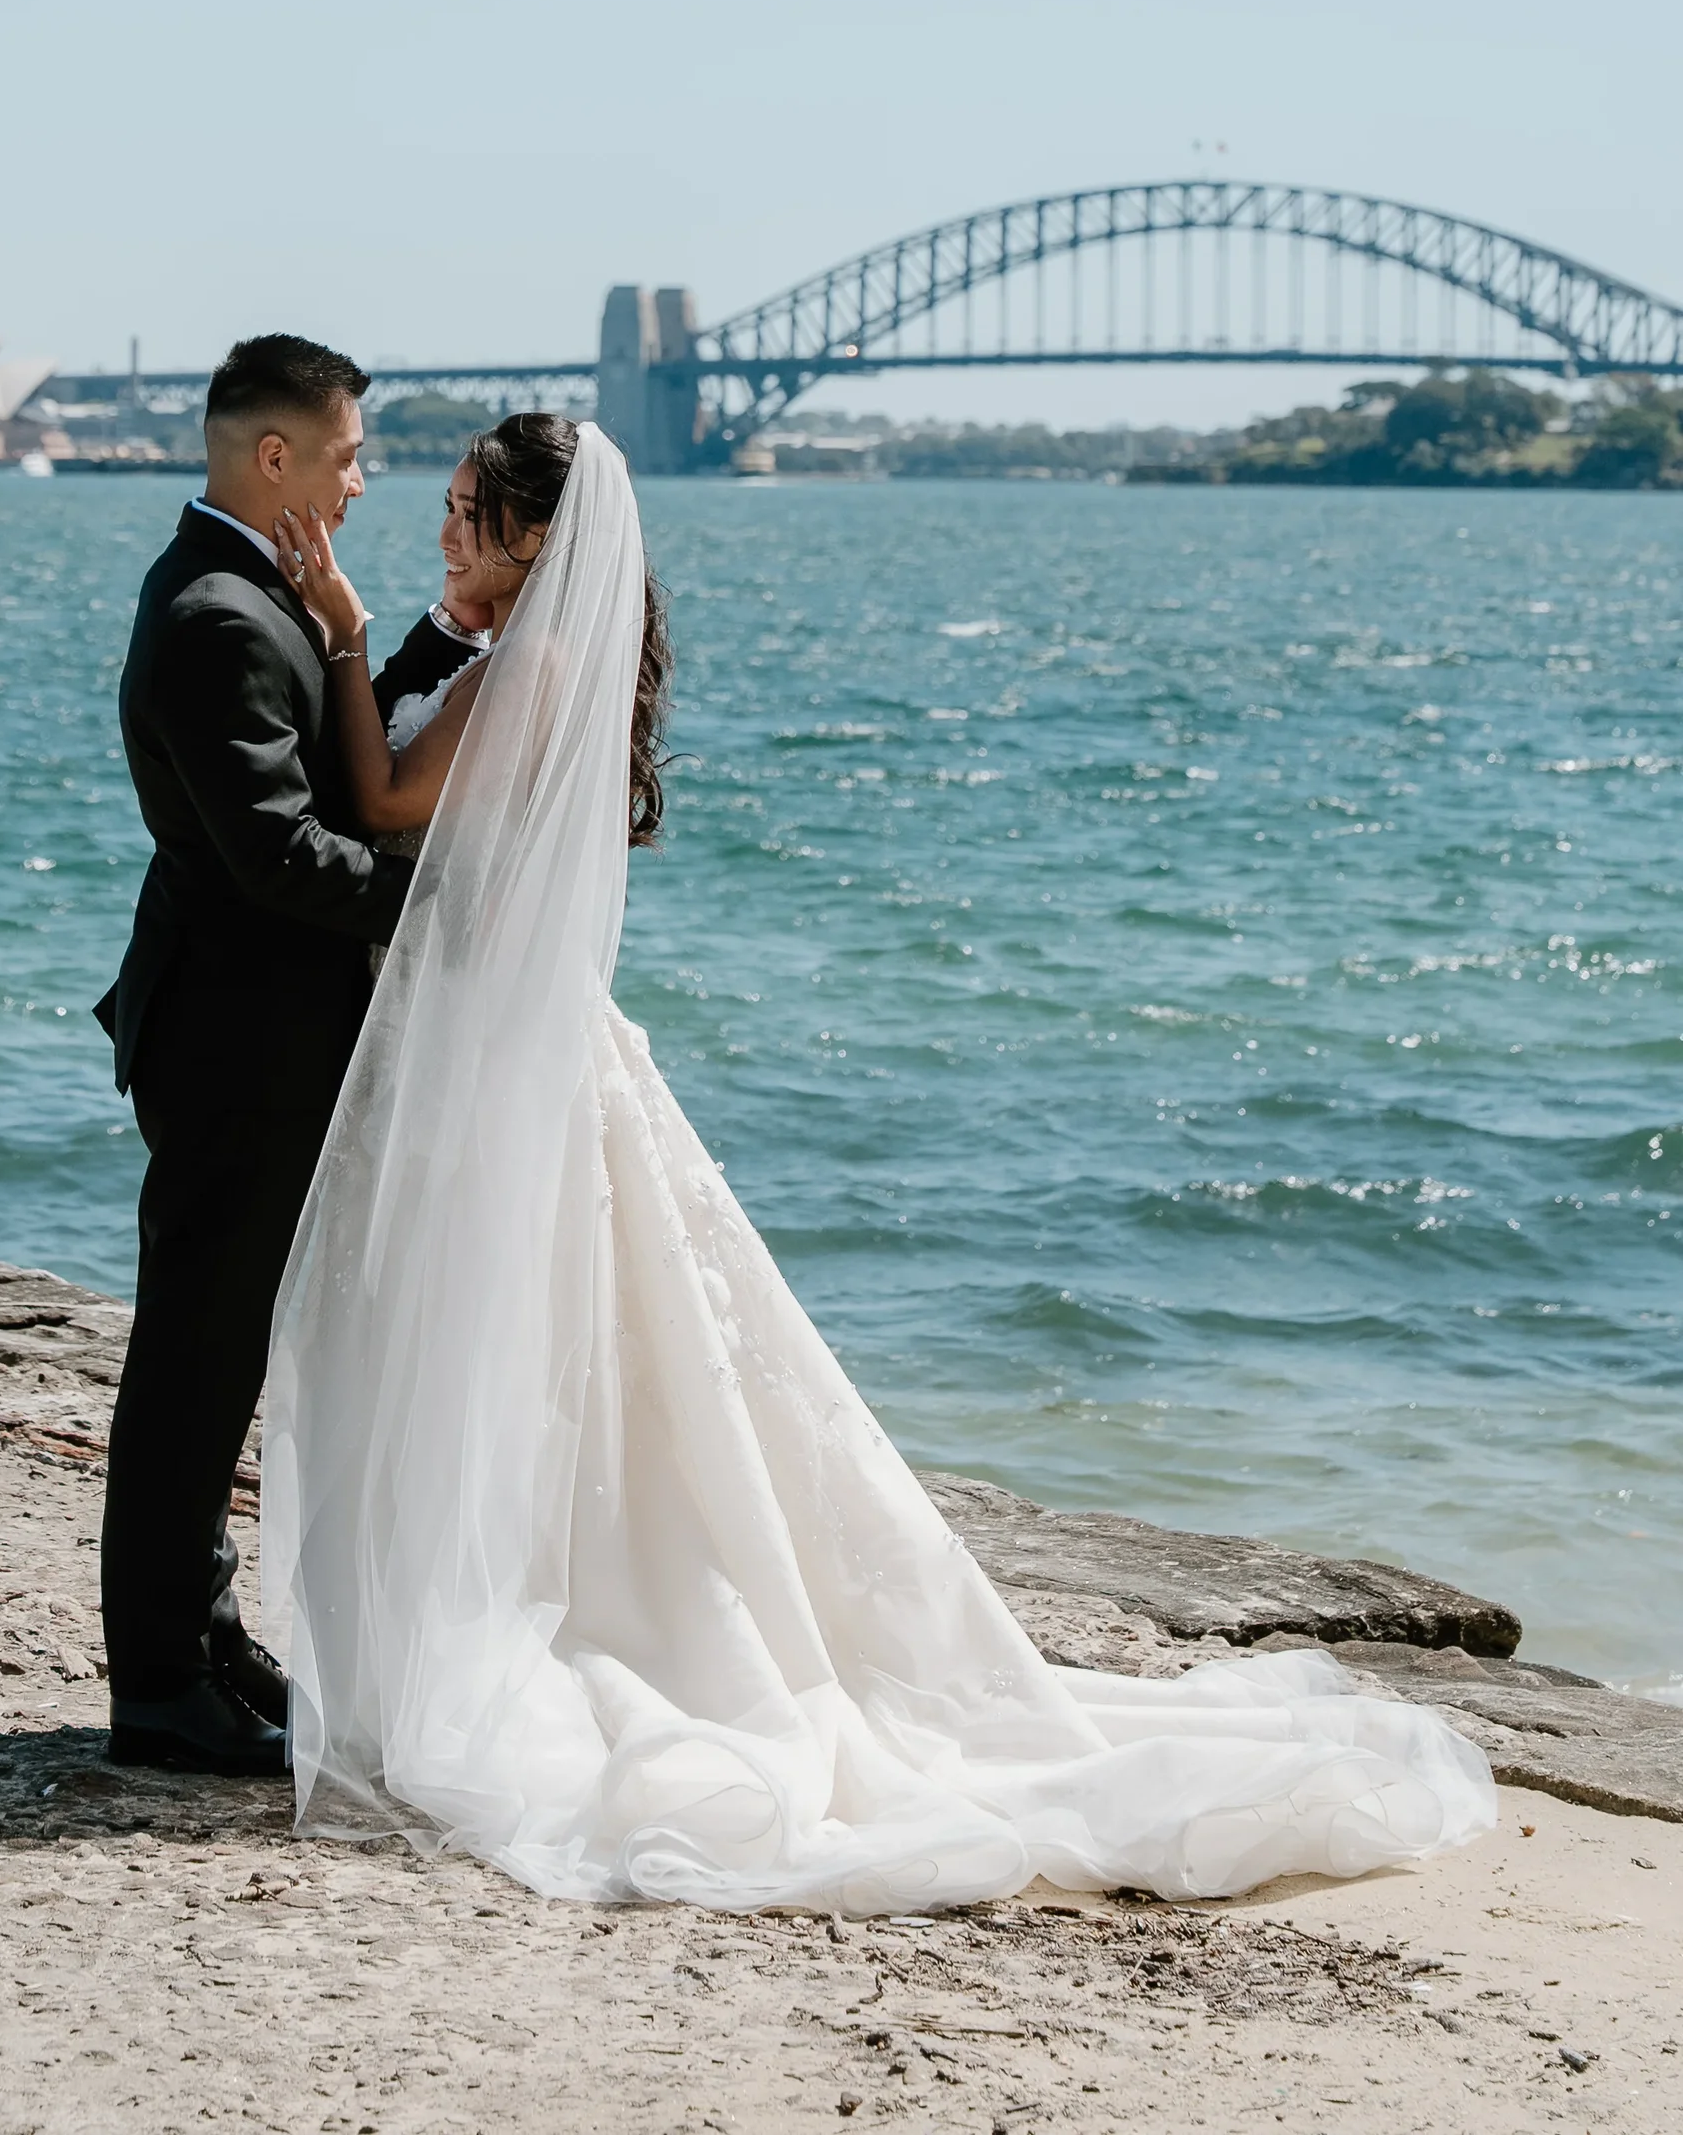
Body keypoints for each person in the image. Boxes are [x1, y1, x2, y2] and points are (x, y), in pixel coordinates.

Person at [260, 415, 1497, 1911]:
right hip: (508, 1041)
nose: (443, 531)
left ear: (533, 535)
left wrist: (336, 637)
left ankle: (511, 1629)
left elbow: (391, 804)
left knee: (526, 1344)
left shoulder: (534, 665)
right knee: (549, 1349)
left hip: (502, 1054)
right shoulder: (526, 656)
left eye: (468, 513)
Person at [95, 332, 486, 1776]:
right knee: (192, 1361)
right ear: (276, 459)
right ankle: (158, 1686)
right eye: (346, 454)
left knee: (226, 1349)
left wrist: (374, 634)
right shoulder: (211, 613)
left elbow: (333, 765)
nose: (361, 477)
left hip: (254, 1031)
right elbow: (278, 850)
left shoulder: (259, 592)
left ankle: (201, 1639)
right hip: (230, 1042)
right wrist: (448, 910)